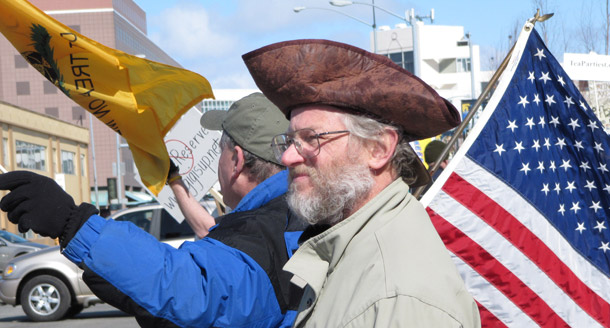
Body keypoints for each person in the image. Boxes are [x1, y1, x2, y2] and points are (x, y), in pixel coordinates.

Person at [0, 92, 306, 327]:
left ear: (236, 160)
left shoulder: (263, 234)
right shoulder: (297, 215)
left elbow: (189, 286)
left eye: (220, 150)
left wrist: (73, 223)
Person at [243, 39, 481, 327]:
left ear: (378, 149)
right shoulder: (356, 243)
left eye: (311, 138)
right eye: (291, 140)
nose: (289, 156)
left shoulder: (396, 299)